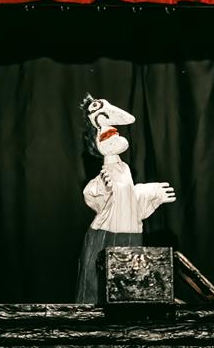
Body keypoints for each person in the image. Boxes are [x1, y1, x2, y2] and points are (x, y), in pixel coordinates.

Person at [75, 94, 176, 303]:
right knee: (96, 288)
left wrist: (150, 192)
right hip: (106, 236)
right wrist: (104, 186)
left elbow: (127, 197)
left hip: (128, 235)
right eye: (102, 131)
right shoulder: (106, 174)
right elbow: (94, 193)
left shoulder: (123, 168)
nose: (110, 132)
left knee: (127, 288)